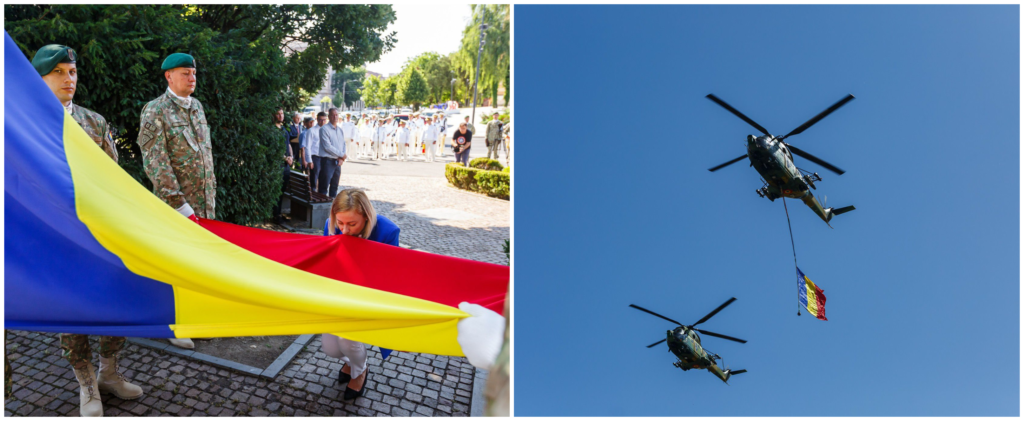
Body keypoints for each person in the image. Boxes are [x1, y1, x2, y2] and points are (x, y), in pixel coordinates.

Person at [33, 44, 144, 416]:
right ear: (39, 79)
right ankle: (85, 384)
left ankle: (109, 372)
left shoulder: (93, 121)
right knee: (72, 310)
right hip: (56, 237)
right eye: (58, 72)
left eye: (72, 71)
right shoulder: (24, 125)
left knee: (114, 300)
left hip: (99, 232)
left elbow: (112, 175)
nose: (69, 79)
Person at [137, 52, 220, 352]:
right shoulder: (155, 110)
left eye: (194, 73)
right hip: (176, 208)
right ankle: (173, 324)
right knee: (174, 266)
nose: (191, 77)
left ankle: (196, 319)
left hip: (204, 205)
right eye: (185, 72)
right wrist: (179, 205)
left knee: (199, 265)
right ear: (168, 76)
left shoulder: (196, 107)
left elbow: (204, 155)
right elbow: (155, 163)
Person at [319, 189, 400, 400]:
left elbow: (392, 273)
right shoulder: (330, 226)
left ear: (366, 216)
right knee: (330, 348)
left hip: (367, 298)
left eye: (352, 224)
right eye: (340, 222)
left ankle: (359, 371)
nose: (344, 230)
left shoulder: (388, 231)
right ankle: (352, 363)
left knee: (348, 342)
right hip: (338, 296)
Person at [317, 108, 347, 198]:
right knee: (323, 187)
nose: (335, 117)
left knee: (334, 187)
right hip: (327, 161)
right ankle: (322, 205)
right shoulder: (324, 129)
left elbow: (343, 144)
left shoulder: (340, 130)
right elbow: (327, 147)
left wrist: (341, 158)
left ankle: (333, 205)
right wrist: (341, 155)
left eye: (336, 115)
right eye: (333, 115)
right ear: (329, 116)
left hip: (337, 162)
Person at [271, 108, 295, 224]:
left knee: (282, 191)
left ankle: (279, 213)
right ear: (274, 115)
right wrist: (285, 158)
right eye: (278, 114)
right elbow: (273, 149)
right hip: (277, 165)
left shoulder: (284, 129)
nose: (281, 116)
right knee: (276, 192)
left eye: (282, 113)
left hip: (286, 166)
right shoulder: (272, 130)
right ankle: (275, 215)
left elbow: (288, 144)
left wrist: (291, 157)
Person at [307, 112, 327, 193]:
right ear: (317, 119)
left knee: (324, 179)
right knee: (314, 180)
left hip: (325, 158)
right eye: (320, 120)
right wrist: (309, 160)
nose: (322, 122)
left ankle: (321, 196)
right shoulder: (312, 131)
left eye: (324, 120)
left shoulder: (328, 130)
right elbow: (308, 146)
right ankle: (313, 196)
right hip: (315, 157)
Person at [298, 116, 317, 192]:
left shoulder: (313, 131)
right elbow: (303, 148)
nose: (312, 124)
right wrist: (304, 160)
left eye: (313, 122)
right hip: (307, 158)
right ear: (305, 123)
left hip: (312, 157)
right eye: (310, 122)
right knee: (309, 177)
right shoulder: (304, 134)